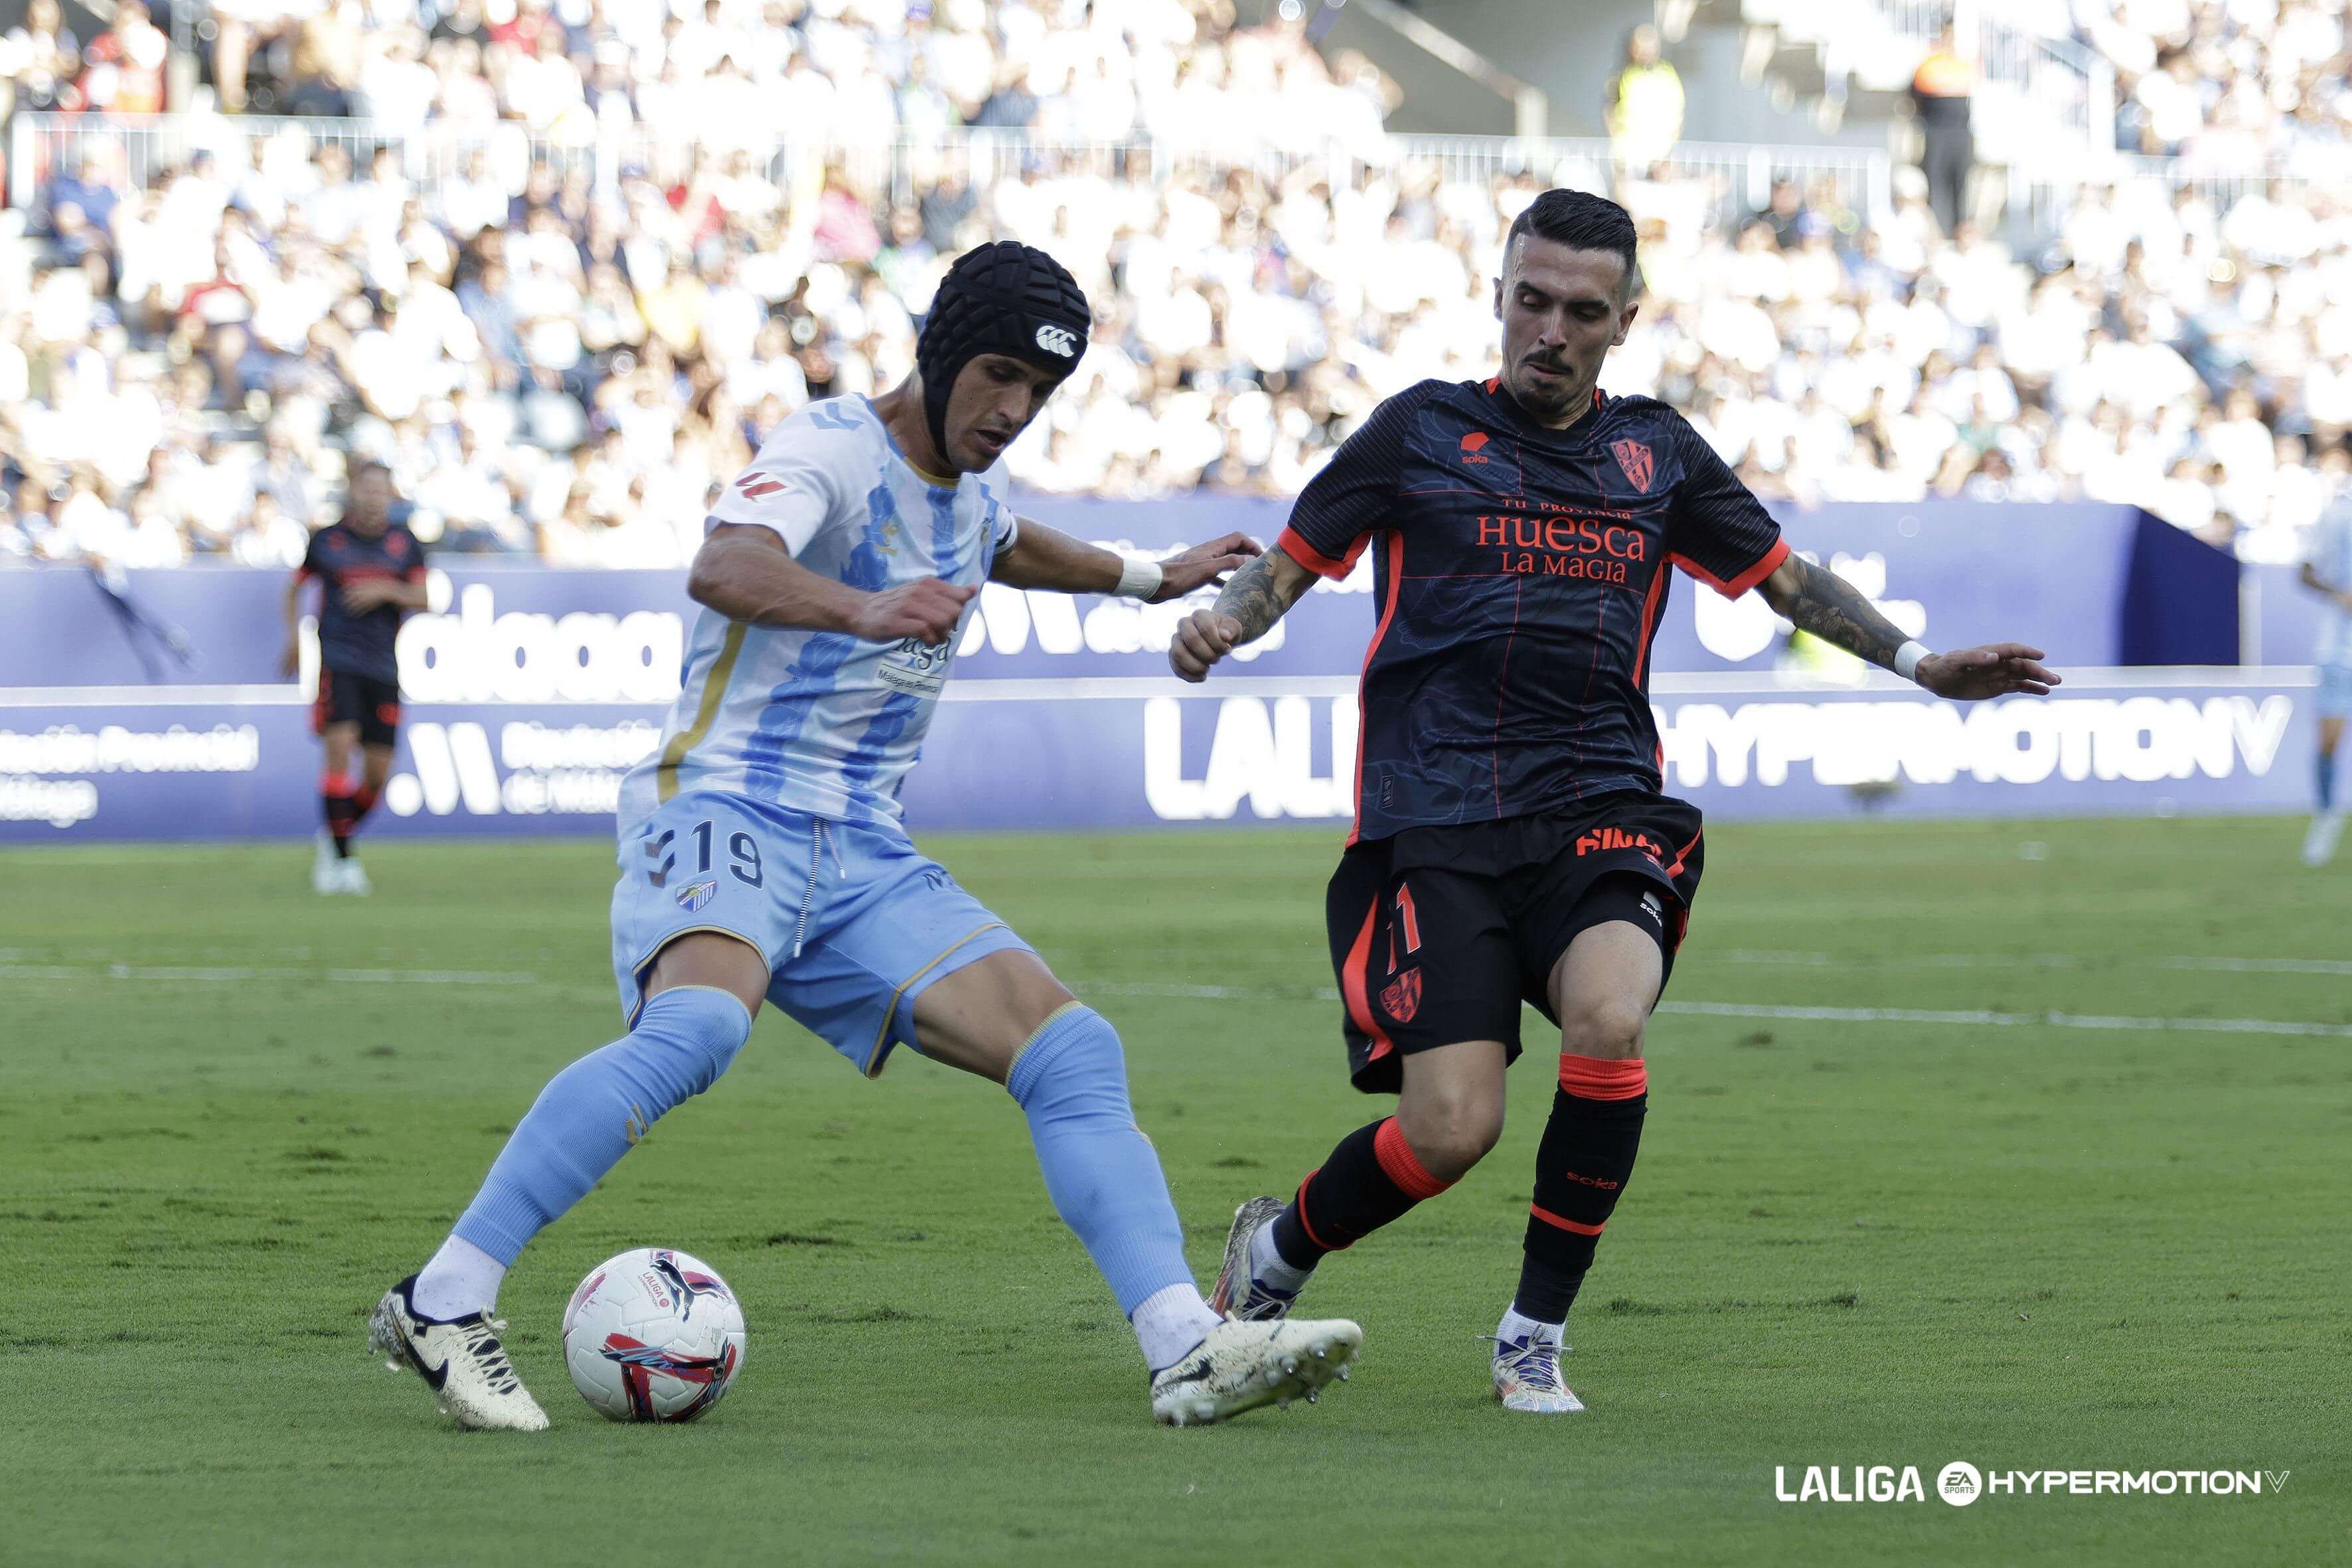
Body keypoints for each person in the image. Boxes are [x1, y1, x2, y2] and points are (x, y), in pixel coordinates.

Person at [366, 242, 1364, 1432]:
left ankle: (1185, 1346)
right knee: (697, 1028)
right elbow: (724, 562)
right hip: (728, 801)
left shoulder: (966, 481)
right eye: (996, 375)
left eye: (1037, 391)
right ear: (940, 353)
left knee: (1070, 1051)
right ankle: (442, 1297)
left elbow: (999, 538)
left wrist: (1150, 575)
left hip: (859, 849)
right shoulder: (830, 449)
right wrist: (861, 606)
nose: (1012, 409)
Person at [1168, 190, 2057, 1415]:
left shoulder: (1656, 454)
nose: (1550, 330)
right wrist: (1223, 624)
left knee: (1606, 1017)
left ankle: (1530, 1335)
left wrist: (1921, 664)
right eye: (1530, 301)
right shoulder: (1416, 431)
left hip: (1598, 804)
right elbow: (1288, 563)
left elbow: (1786, 580)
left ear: (1623, 321)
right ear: (1498, 297)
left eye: (1581, 312)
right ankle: (1277, 1250)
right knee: (1449, 1130)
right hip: (1436, 816)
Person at [281, 461, 426, 896]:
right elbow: (295, 587)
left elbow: (424, 597)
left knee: (378, 777)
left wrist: (385, 590)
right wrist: (293, 638)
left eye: (381, 489)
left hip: (383, 666)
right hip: (338, 662)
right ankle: (343, 863)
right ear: (352, 491)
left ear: (391, 495)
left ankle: (335, 835)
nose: (373, 496)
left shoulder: (404, 543)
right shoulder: (328, 540)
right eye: (366, 488)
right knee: (339, 748)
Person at [2299, 488, 2352, 866]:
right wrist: (2339, 594)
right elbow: (2305, 572)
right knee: (2329, 739)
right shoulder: (2336, 514)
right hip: (2339, 650)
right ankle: (2326, 815)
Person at [1910, 21, 1975, 236]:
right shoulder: (1929, 65)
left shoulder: (1965, 65)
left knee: (1960, 182)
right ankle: (1935, 231)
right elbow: (1916, 96)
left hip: (1960, 131)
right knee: (1935, 181)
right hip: (1937, 130)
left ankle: (1959, 231)